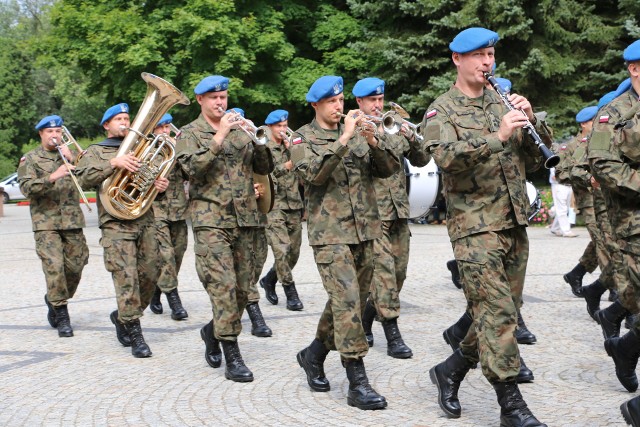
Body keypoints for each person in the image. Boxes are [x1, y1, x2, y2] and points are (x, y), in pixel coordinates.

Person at [423, 28, 551, 426]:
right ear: (456, 59)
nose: (486, 62)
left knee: (502, 312)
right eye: (477, 55)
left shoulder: (501, 100)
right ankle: (511, 406)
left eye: (490, 54)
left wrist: (531, 122)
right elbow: (444, 157)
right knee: (495, 313)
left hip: (513, 222)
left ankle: (451, 370)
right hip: (474, 227)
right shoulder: (439, 110)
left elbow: (533, 158)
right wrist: (497, 137)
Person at [291, 75, 399, 410]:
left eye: (340, 101)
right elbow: (313, 175)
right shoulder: (301, 138)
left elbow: (389, 170)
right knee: (348, 300)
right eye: (331, 102)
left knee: (347, 301)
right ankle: (357, 381)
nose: (339, 107)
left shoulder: (359, 132)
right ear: (315, 105)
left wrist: (374, 141)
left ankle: (313, 354)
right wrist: (346, 138)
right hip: (330, 235)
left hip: (365, 230)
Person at [175, 76, 274, 382]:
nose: (220, 102)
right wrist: (218, 136)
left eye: (224, 96)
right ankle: (233, 354)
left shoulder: (241, 130)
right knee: (224, 288)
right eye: (214, 97)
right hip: (211, 221)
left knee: (244, 290)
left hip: (246, 221)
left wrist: (259, 140)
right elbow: (190, 169)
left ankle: (212, 331)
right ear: (200, 100)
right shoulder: (190, 134)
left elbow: (265, 168)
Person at [75, 103, 169, 358]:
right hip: (115, 224)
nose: (124, 122)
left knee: (151, 274)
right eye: (118, 119)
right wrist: (114, 163)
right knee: (126, 277)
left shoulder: (143, 149)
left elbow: (150, 186)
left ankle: (122, 316)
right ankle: (136, 333)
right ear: (107, 125)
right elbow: (82, 178)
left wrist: (159, 186)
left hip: (144, 219)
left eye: (127, 118)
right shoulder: (97, 150)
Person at [352, 77, 430, 359]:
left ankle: (366, 317)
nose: (377, 104)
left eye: (380, 99)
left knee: (398, 274)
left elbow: (421, 161)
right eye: (371, 100)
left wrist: (411, 137)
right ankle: (393, 333)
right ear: (359, 101)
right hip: (371, 215)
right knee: (384, 275)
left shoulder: (393, 123)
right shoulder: (353, 129)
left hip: (398, 211)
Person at [588, 39, 640, 394]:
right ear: (634, 69)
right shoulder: (614, 113)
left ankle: (625, 346)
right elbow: (602, 162)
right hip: (633, 224)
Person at [17, 115, 90, 338]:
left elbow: (90, 180)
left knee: (77, 265)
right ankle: (62, 313)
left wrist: (75, 161)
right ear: (41, 134)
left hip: (72, 221)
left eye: (58, 131)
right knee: (54, 267)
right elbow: (26, 188)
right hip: (45, 223)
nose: (55, 135)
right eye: (50, 132)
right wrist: (52, 176)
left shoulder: (73, 155)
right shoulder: (30, 159)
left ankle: (53, 298)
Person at [558, 106, 618, 313]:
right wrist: (589, 180)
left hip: (607, 201)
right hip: (590, 202)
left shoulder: (604, 139)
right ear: (584, 124)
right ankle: (613, 286)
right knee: (603, 242)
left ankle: (577, 272)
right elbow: (563, 173)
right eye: (594, 120)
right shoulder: (576, 145)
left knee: (603, 240)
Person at [259, 109, 304, 311]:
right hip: (273, 204)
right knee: (282, 249)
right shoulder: (263, 145)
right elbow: (264, 175)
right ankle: (290, 292)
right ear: (270, 127)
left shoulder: (293, 143)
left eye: (285, 125)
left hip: (294, 203)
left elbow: (305, 166)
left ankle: (269, 279)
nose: (283, 129)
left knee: (293, 253)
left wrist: (293, 150)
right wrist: (285, 165)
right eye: (279, 126)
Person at [149, 113, 189, 321]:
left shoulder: (176, 149)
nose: (165, 131)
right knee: (165, 257)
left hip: (179, 210)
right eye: (160, 128)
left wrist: (180, 151)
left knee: (178, 255)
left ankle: (157, 291)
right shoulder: (144, 151)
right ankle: (174, 300)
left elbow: (191, 173)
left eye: (167, 127)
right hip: (155, 212)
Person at [549, 162, 577, 237]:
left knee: (565, 209)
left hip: (569, 185)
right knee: (562, 209)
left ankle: (555, 228)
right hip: (559, 185)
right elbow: (554, 177)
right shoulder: (557, 157)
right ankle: (566, 231)